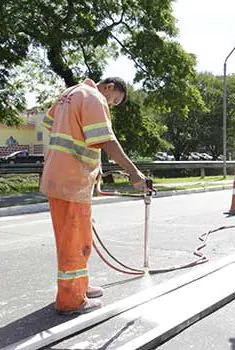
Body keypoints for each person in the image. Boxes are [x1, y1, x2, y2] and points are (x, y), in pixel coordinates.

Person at [40, 77, 147, 314]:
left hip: (62, 177)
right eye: (115, 100)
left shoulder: (69, 93)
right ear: (109, 87)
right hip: (71, 179)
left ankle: (80, 286)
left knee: (79, 239)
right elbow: (105, 140)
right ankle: (71, 300)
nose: (112, 104)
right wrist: (133, 172)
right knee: (74, 242)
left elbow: (51, 123)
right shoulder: (94, 98)